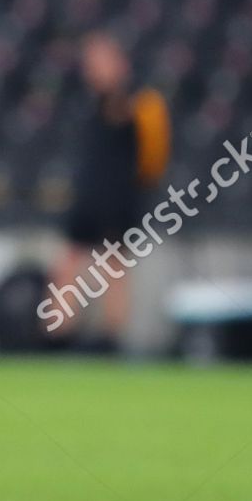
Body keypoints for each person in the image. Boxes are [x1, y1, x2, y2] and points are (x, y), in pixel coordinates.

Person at [51, 32, 170, 350]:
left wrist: (139, 188)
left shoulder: (142, 101)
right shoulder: (89, 101)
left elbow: (153, 155)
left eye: (99, 62)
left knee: (113, 265)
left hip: (120, 195)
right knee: (70, 260)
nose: (93, 70)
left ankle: (110, 337)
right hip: (90, 193)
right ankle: (58, 332)